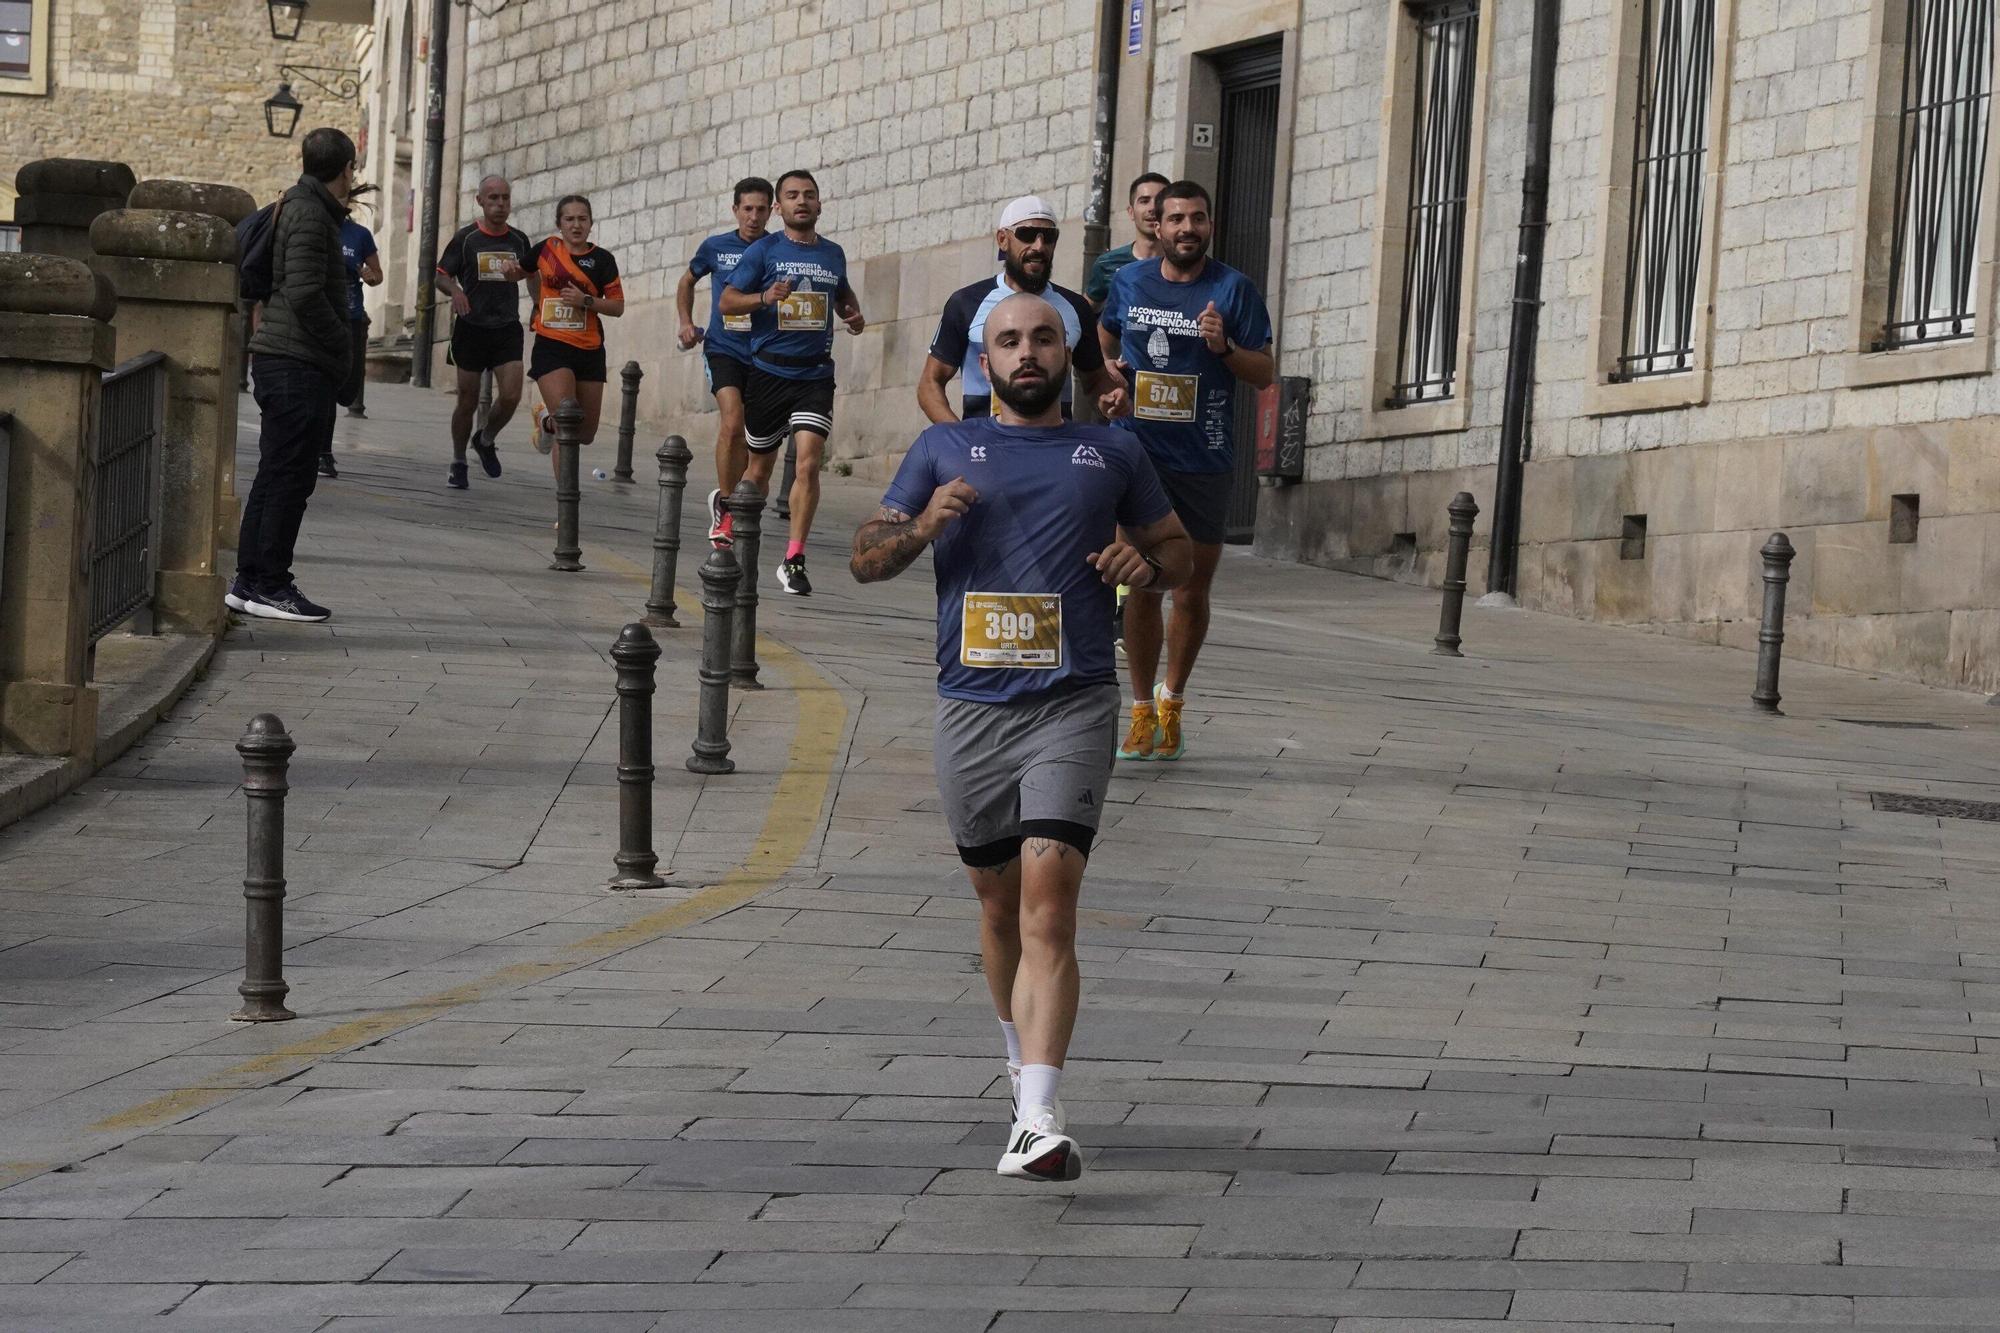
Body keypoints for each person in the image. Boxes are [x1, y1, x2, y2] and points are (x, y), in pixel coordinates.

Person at [851, 292, 1192, 1181]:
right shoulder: (942, 448)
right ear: (981, 358)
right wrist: (924, 526)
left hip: (1072, 701)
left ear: (1066, 350)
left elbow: (1179, 552)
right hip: (970, 711)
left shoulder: (1113, 449)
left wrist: (1144, 564)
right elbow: (866, 556)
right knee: (997, 904)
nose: (1027, 352)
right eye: (1009, 340)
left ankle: (1038, 1117)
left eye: (1044, 337)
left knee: (1050, 902)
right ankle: (1017, 1056)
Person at [1098, 180, 1274, 761]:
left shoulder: (1233, 289)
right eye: (1175, 219)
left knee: (1191, 590)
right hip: (1139, 455)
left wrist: (1224, 348)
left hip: (1205, 457)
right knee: (1141, 585)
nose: (1185, 229)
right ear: (1157, 225)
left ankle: (1173, 702)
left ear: (1209, 226)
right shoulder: (1129, 282)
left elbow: (1264, 373)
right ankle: (1141, 710)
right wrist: (1112, 378)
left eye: (1196, 218)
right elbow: (1104, 344)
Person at [226, 126, 357, 624]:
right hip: (296, 362)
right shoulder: (308, 213)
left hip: (289, 360)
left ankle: (250, 581)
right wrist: (341, 342)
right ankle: (270, 583)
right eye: (352, 168)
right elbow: (303, 292)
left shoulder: (301, 205)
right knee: (289, 477)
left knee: (278, 473)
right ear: (345, 169)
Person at [720, 169, 864, 596]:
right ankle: (733, 518)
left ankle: (794, 558)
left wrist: (852, 315)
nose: (802, 201)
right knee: (759, 468)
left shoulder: (833, 254)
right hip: (768, 371)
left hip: (815, 374)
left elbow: (841, 295)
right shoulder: (764, 251)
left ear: (820, 204)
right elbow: (729, 299)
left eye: (809, 195)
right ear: (779, 207)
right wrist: (764, 298)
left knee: (807, 461)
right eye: (793, 196)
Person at [918, 195, 1124, 424]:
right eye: (1026, 235)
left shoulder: (1076, 308)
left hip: (1053, 447)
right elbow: (930, 384)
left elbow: (1095, 380)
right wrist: (960, 439)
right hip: (985, 450)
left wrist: (1110, 398)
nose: (1039, 246)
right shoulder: (966, 303)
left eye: (1048, 237)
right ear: (1003, 239)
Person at [677, 176, 773, 545]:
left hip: (766, 352)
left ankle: (745, 498)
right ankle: (726, 504)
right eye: (747, 209)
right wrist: (686, 322)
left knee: (757, 437)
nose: (753, 216)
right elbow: (687, 281)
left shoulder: (778, 247)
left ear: (771, 211)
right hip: (724, 348)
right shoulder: (716, 247)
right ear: (735, 210)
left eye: (761, 209)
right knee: (733, 422)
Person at [435, 176, 536, 489]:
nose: (500, 204)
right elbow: (441, 275)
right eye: (493, 198)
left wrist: (538, 303)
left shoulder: (519, 240)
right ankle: (457, 460)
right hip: (471, 327)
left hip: (506, 327)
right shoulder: (466, 239)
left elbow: (531, 274)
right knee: (467, 400)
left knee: (511, 396)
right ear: (480, 201)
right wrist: (456, 291)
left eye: (505, 198)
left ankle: (486, 438)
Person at [527, 194, 626, 477]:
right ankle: (565, 507)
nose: (576, 225)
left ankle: (546, 422)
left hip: (590, 349)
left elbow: (618, 307)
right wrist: (537, 303)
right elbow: (523, 271)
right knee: (568, 428)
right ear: (559, 224)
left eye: (582, 219)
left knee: (585, 433)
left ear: (591, 223)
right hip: (551, 346)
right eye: (569, 219)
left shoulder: (603, 260)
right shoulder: (546, 249)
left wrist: (586, 300)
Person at [328, 198, 382, 480]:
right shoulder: (315, 226)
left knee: (348, 386)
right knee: (324, 386)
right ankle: (323, 450)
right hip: (323, 318)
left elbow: (377, 276)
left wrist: (368, 275)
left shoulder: (359, 235)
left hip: (351, 317)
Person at [1084, 172, 1170, 310]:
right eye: (1144, 201)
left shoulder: (1182, 264)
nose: (1152, 208)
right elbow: (1086, 312)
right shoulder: (1108, 264)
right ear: (1131, 212)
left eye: (1160, 201)